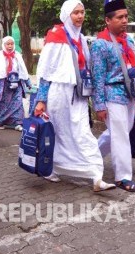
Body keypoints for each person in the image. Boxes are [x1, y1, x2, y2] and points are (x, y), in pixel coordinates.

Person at [33, 0, 115, 192]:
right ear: (66, 15)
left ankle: (96, 176)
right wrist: (41, 100)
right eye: (75, 13)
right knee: (59, 133)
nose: (80, 16)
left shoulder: (81, 39)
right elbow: (46, 72)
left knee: (83, 133)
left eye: (82, 12)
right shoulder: (55, 37)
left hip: (79, 94)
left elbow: (87, 68)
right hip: (59, 94)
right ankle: (50, 167)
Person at [90, 0, 135, 192]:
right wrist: (100, 105)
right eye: (120, 17)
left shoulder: (128, 40)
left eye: (126, 16)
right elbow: (97, 77)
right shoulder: (100, 44)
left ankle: (89, 159)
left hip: (128, 94)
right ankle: (123, 177)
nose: (125, 20)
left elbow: (132, 69)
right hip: (111, 94)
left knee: (119, 131)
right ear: (108, 20)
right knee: (120, 135)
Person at [0, 36, 31, 131]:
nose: (10, 46)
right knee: (2, 104)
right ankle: (0, 122)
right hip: (3, 84)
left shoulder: (17, 55)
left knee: (18, 102)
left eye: (12, 44)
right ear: (4, 45)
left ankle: (17, 122)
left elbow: (23, 70)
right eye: (8, 44)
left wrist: (27, 81)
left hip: (16, 83)